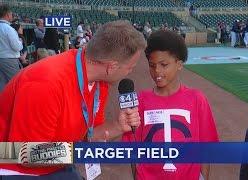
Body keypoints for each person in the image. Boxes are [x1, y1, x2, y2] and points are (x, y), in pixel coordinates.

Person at [0, 20, 146, 178]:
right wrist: (81, 151)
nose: (130, 72)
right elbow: (28, 154)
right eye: (130, 67)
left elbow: (88, 136)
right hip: (15, 169)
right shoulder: (45, 83)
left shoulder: (99, 82)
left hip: (56, 166)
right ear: (111, 67)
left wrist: (118, 126)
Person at [122, 30, 219, 180]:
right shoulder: (140, 101)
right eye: (152, 65)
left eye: (164, 64)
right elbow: (133, 147)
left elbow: (205, 146)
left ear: (179, 64)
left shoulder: (196, 99)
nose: (157, 71)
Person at [0, 4, 23, 92]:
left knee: (3, 84)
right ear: (7, 15)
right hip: (9, 60)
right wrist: (20, 41)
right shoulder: (8, 29)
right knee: (15, 84)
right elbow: (16, 47)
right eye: (11, 14)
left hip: (1, 59)